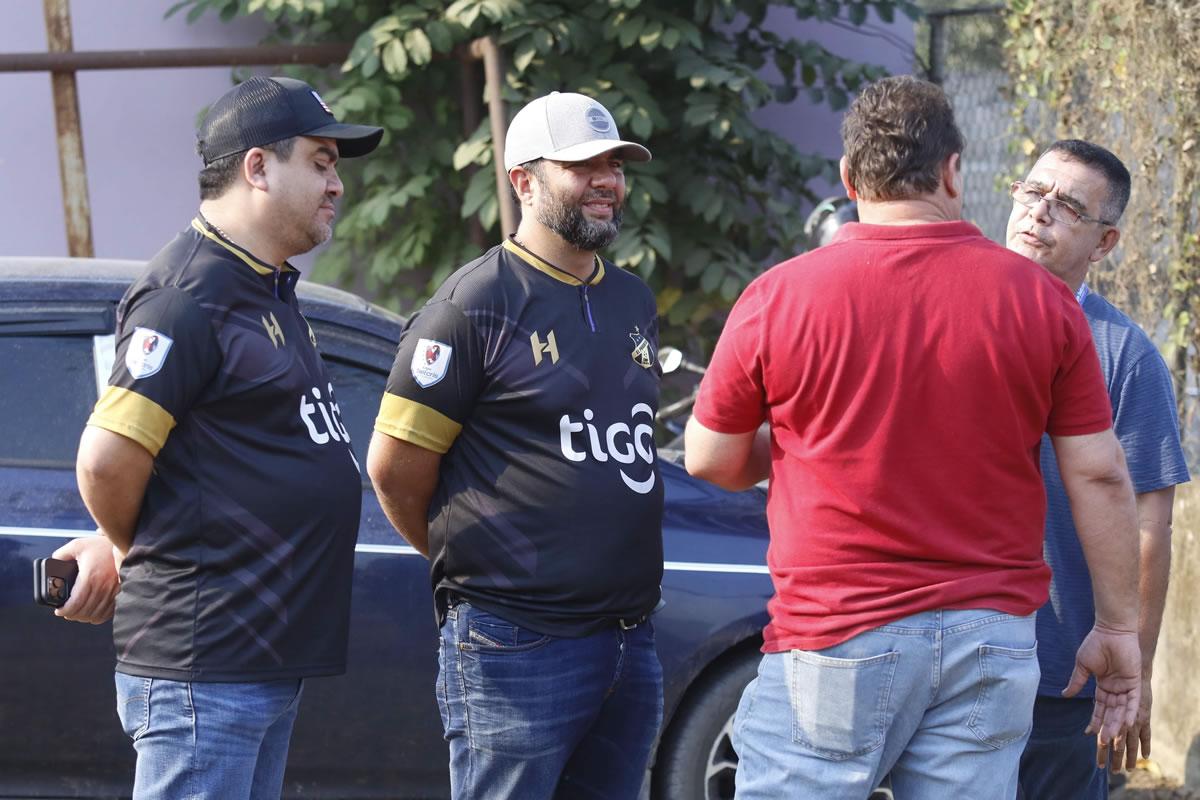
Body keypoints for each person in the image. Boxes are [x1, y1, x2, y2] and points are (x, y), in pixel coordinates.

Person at [684, 75, 1143, 800]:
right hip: (991, 637)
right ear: (954, 171)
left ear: (847, 178)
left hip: (836, 632)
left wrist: (809, 440)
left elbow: (709, 457)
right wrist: (1119, 626)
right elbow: (1102, 474)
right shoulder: (1045, 303)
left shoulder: (778, 295)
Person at [66, 75, 382, 799]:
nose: (336, 184)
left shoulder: (264, 288)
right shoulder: (190, 294)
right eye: (322, 160)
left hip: (255, 664)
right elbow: (106, 461)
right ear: (258, 166)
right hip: (206, 666)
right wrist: (127, 547)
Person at [366, 91, 663, 799]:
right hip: (516, 646)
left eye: (615, 164)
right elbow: (394, 470)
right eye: (581, 165)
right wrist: (478, 564)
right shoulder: (473, 304)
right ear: (523, 180)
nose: (607, 180)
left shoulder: (632, 299)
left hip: (629, 638)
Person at [1008, 140, 1189, 799]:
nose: (1038, 214)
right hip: (942, 651)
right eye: (1032, 193)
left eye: (1066, 206)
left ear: (1105, 242)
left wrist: (1130, 668)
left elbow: (1149, 525)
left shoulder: (1125, 356)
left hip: (1060, 672)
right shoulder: (950, 312)